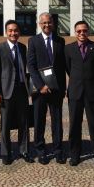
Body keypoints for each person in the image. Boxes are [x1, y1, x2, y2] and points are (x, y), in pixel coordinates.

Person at [0, 20, 34, 165]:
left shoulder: (23, 47)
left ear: (19, 32)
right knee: (6, 124)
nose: (13, 33)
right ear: (6, 32)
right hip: (6, 92)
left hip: (22, 90)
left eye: (16, 30)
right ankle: (6, 152)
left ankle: (24, 150)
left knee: (24, 122)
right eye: (10, 30)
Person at [27, 12, 66, 164]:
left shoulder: (60, 41)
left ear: (53, 23)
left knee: (57, 121)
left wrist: (63, 88)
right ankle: (40, 150)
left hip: (56, 89)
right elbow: (31, 65)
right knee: (39, 120)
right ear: (39, 24)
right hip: (40, 89)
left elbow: (62, 66)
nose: (47, 25)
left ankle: (58, 150)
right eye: (43, 23)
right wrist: (40, 85)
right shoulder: (33, 41)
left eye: (49, 22)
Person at [65, 21, 94, 167]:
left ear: (88, 31)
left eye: (84, 31)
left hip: (91, 92)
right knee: (74, 125)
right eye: (79, 31)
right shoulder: (68, 49)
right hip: (75, 92)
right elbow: (68, 69)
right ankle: (74, 154)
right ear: (75, 32)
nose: (82, 33)